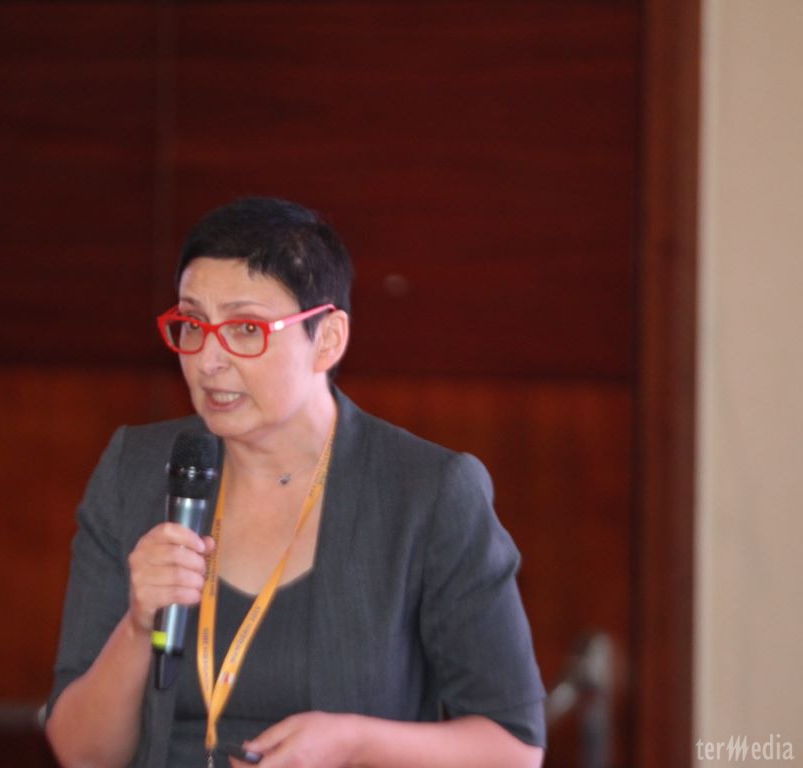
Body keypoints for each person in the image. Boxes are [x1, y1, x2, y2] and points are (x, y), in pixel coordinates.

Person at [44, 197, 545, 767]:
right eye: (193, 324)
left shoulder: (426, 493)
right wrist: (138, 628)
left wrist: (355, 746)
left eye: (246, 329)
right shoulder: (135, 470)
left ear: (327, 338)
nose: (208, 360)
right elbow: (82, 754)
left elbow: (514, 750)